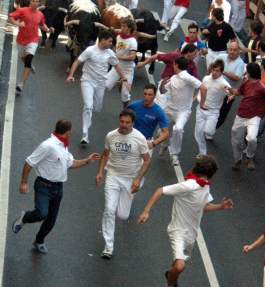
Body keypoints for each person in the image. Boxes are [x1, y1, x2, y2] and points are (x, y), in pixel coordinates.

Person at [138, 154, 233, 287]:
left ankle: (171, 276)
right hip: (178, 231)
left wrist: (220, 207)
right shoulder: (188, 185)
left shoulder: (205, 186)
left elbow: (204, 206)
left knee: (176, 267)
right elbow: (160, 190)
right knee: (180, 266)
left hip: (191, 234)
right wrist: (146, 211)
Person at [12, 120, 100, 253]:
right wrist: (24, 182)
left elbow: (71, 163)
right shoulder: (48, 145)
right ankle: (24, 218)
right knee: (41, 213)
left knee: (51, 220)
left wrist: (87, 161)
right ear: (68, 132)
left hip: (58, 188)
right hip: (43, 186)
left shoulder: (63, 146)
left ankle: (39, 241)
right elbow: (29, 162)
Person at [96, 110, 150, 259]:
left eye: (127, 122)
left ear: (133, 123)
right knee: (109, 209)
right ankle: (108, 247)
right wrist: (100, 172)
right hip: (113, 176)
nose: (124, 125)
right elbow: (105, 154)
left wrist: (138, 179)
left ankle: (138, 184)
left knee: (123, 215)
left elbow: (146, 161)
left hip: (130, 179)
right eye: (122, 122)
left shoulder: (140, 138)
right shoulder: (111, 136)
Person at [66, 30, 129, 145]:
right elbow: (77, 62)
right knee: (88, 106)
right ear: (102, 40)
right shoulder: (90, 50)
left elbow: (117, 66)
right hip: (87, 81)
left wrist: (124, 78)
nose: (111, 43)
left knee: (97, 107)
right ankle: (85, 134)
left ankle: (89, 115)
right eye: (110, 41)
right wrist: (71, 75)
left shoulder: (110, 53)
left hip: (101, 84)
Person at [230, 62, 265, 171]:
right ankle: (237, 160)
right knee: (236, 141)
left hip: (254, 117)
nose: (246, 73)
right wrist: (230, 90)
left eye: (247, 71)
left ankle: (249, 157)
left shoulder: (262, 87)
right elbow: (238, 92)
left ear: (249, 73)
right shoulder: (246, 82)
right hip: (241, 115)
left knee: (252, 138)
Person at [9, 0, 52, 95]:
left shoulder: (40, 15)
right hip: (21, 40)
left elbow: (42, 25)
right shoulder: (22, 10)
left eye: (37, 2)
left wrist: (48, 29)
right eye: (33, 1)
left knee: (28, 61)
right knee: (23, 58)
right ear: (30, 1)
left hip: (33, 40)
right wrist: (18, 23)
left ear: (39, 3)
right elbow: (11, 17)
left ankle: (21, 85)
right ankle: (29, 64)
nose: (35, 3)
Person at [164, 56, 203, 163]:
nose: (173, 66)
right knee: (162, 130)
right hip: (169, 109)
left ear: (176, 65)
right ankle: (164, 145)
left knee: (178, 129)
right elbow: (163, 90)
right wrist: (163, 84)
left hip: (183, 112)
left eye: (173, 64)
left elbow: (203, 87)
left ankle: (174, 154)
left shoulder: (187, 77)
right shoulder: (173, 78)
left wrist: (200, 102)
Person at [194, 59, 231, 155]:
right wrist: (196, 98)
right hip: (200, 109)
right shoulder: (206, 78)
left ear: (221, 72)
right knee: (198, 134)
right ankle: (202, 153)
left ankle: (210, 132)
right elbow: (201, 90)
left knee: (208, 131)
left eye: (217, 71)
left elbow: (230, 92)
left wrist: (230, 96)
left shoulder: (224, 83)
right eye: (213, 70)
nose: (214, 72)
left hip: (213, 112)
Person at [127, 83, 170, 151]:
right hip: (131, 139)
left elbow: (166, 133)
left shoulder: (158, 111)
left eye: (150, 95)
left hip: (146, 142)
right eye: (145, 94)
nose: (146, 97)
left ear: (154, 96)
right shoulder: (134, 105)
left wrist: (154, 143)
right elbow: (123, 116)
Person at [105, 18, 137, 107]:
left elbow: (132, 57)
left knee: (125, 95)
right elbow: (116, 49)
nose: (121, 28)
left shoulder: (133, 41)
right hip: (117, 68)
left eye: (123, 26)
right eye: (121, 26)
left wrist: (118, 57)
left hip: (127, 71)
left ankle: (125, 109)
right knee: (105, 84)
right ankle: (120, 82)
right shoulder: (118, 37)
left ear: (129, 28)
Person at [216, 41, 246, 129]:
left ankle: (214, 128)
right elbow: (212, 67)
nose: (232, 52)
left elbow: (236, 77)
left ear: (239, 51)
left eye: (235, 50)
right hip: (216, 89)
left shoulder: (240, 63)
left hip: (229, 93)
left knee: (222, 113)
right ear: (228, 49)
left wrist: (223, 71)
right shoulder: (221, 57)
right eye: (230, 49)